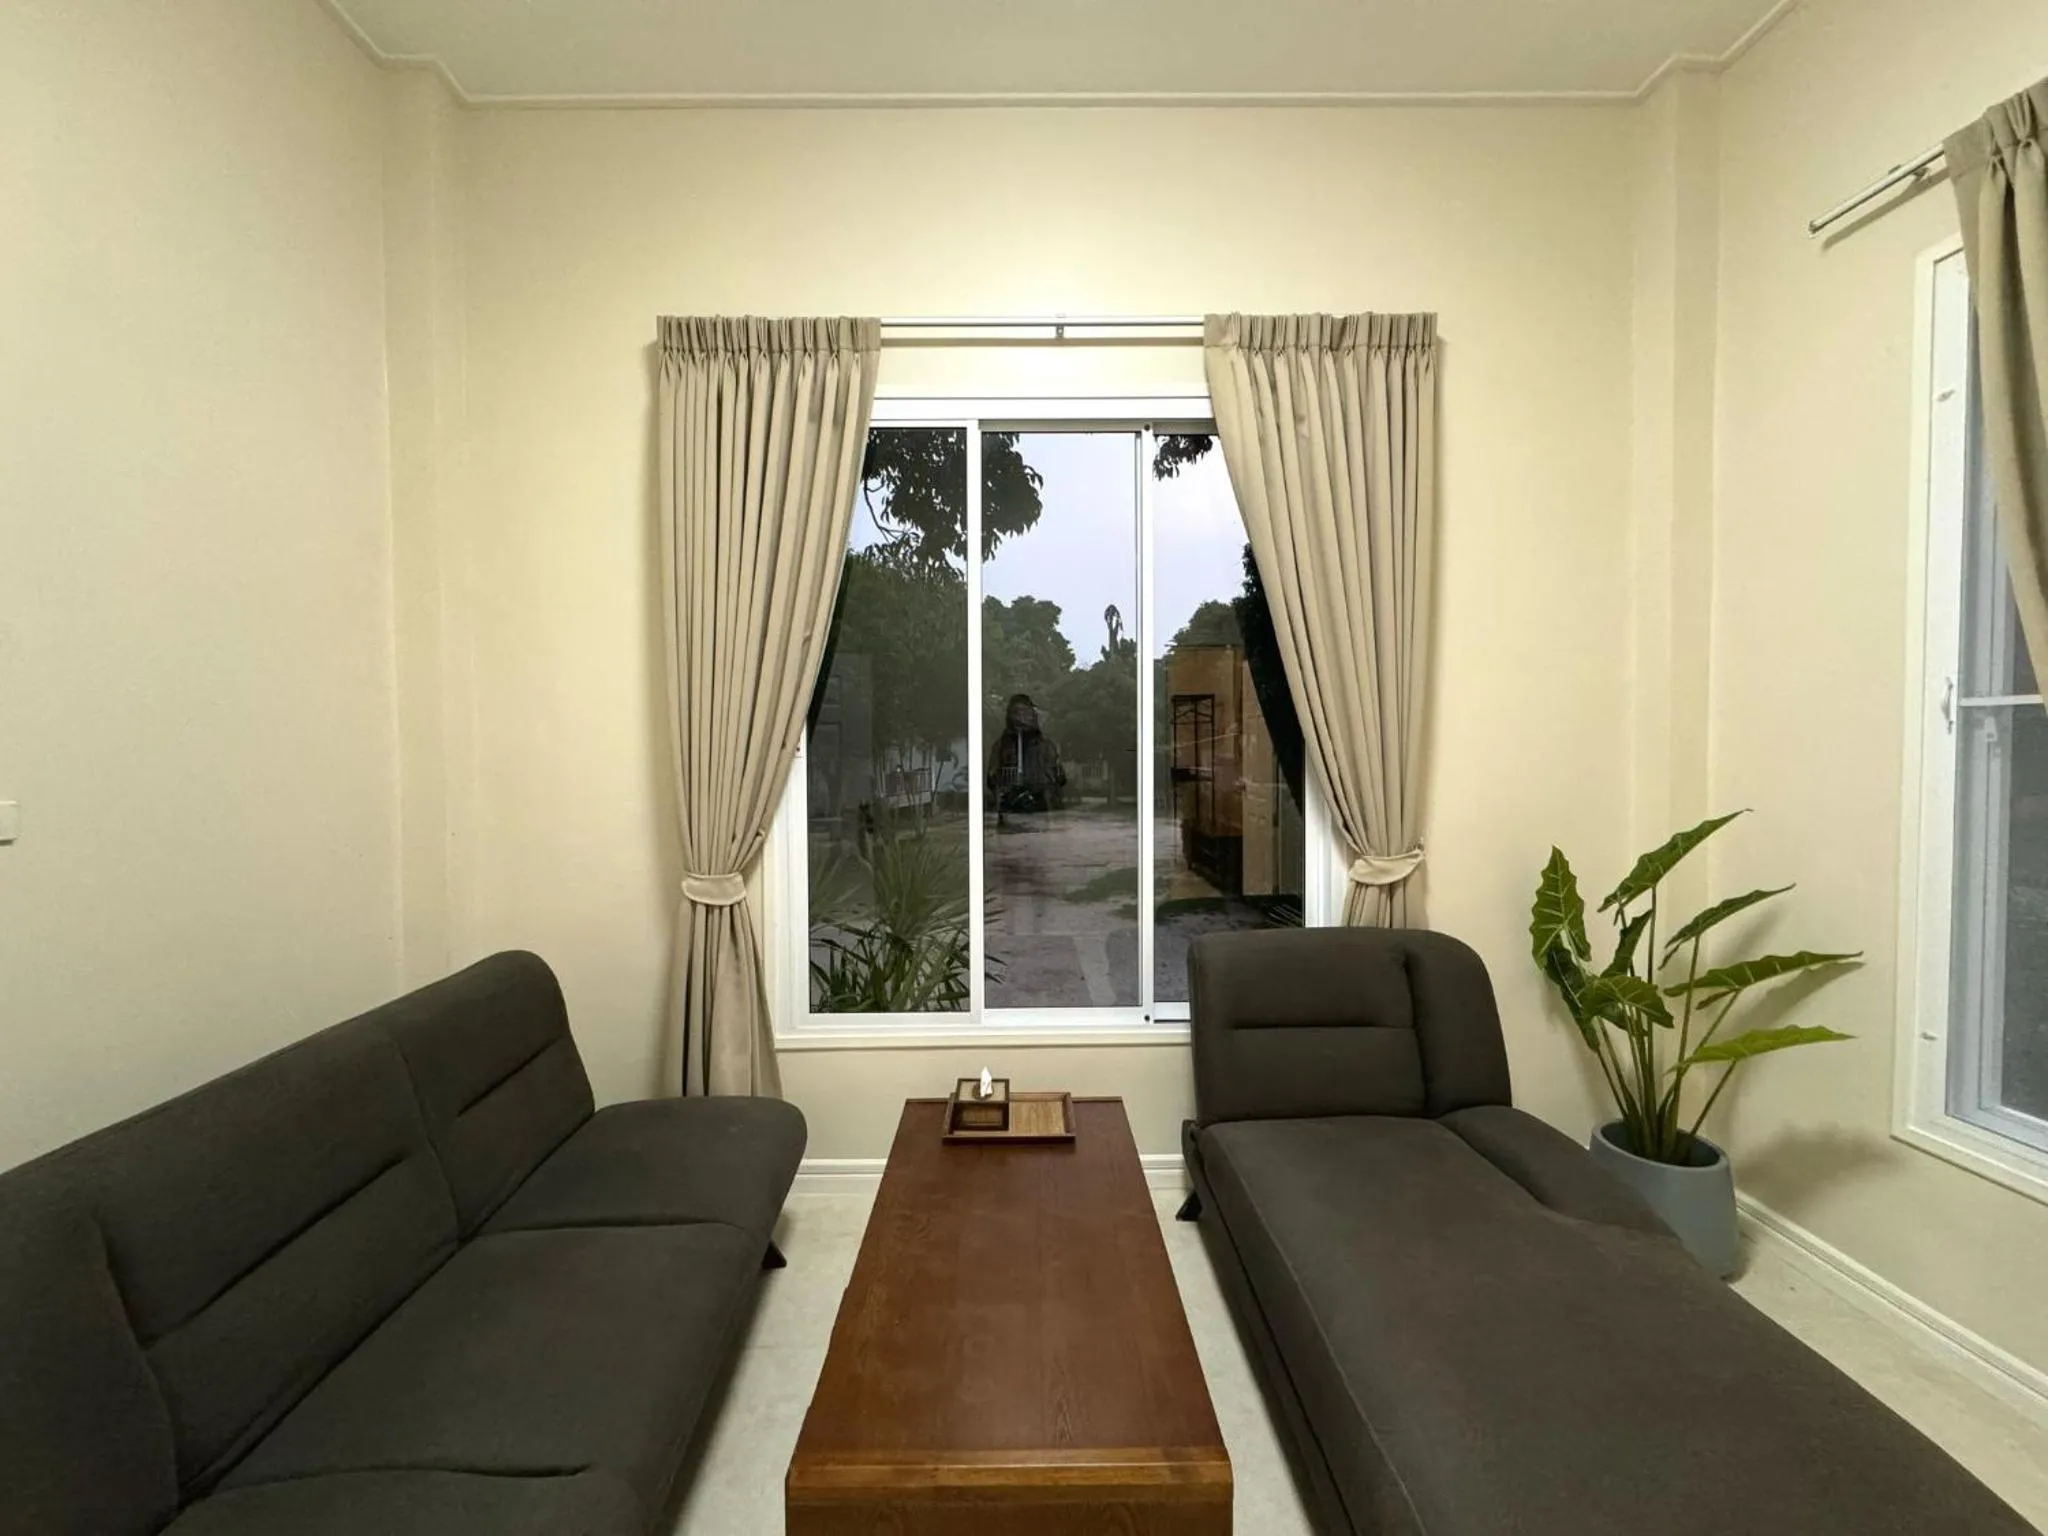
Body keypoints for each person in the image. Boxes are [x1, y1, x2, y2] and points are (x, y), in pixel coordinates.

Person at [987, 693, 1065, 827]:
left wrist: (1048, 793)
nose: (1021, 717)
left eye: (1025, 712)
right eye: (1016, 713)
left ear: (1032, 715)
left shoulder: (1045, 745)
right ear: (1009, 716)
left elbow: (1059, 777)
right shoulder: (1001, 745)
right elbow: (991, 778)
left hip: (1040, 810)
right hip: (1009, 810)